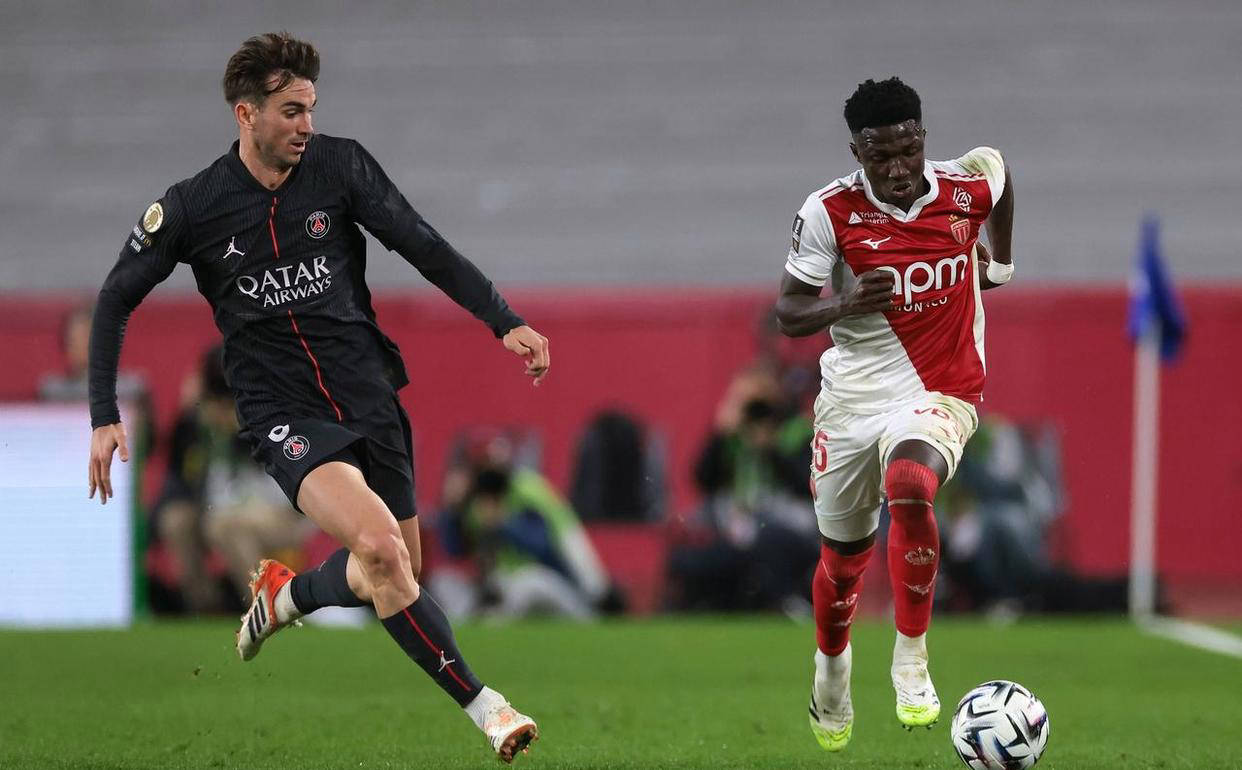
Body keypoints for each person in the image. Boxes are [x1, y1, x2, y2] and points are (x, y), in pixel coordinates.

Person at [86, 32, 547, 762]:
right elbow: (115, 297)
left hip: (368, 393)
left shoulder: (341, 166)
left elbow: (422, 243)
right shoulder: (193, 207)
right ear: (246, 114)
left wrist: (503, 319)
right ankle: (489, 709)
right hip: (283, 412)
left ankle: (286, 598)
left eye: (311, 109)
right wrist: (103, 415)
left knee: (396, 570)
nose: (307, 125)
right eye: (291, 111)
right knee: (380, 551)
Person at [774, 77, 1014, 751]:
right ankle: (831, 667)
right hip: (852, 401)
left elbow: (1001, 176)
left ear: (923, 139)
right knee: (842, 562)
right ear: (858, 151)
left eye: (909, 150)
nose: (900, 168)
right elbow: (787, 311)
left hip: (941, 390)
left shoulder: (964, 188)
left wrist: (1001, 265)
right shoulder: (829, 211)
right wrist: (844, 304)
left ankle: (911, 658)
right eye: (882, 156)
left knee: (910, 482)